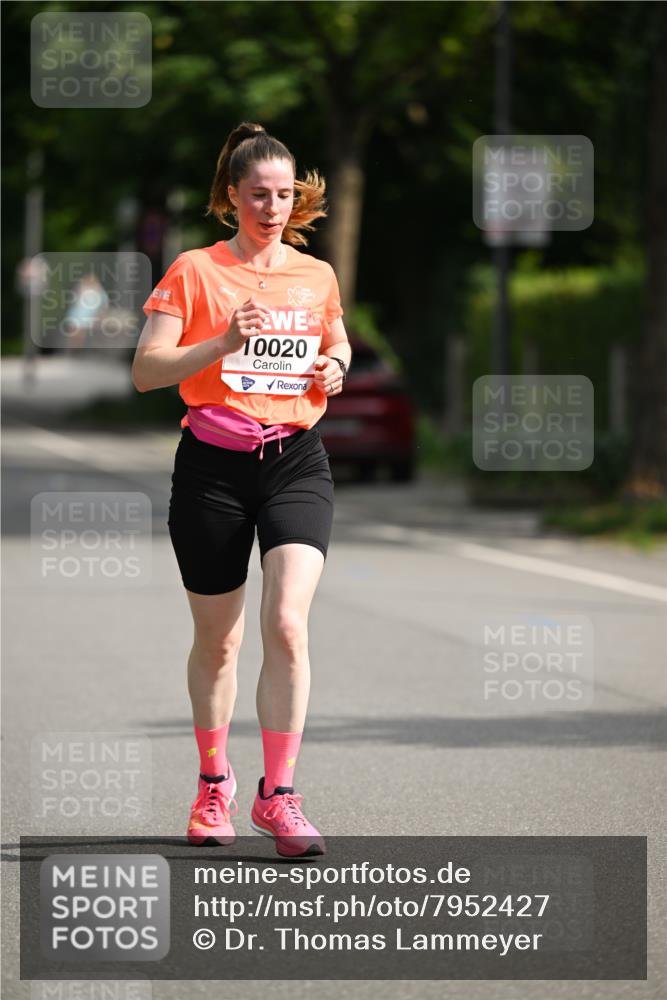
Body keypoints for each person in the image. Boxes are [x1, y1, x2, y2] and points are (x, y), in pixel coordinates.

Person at [131, 122, 351, 858]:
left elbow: (335, 338)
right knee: (219, 643)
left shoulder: (314, 274)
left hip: (294, 459)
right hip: (212, 468)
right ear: (231, 197)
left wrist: (336, 368)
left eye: (284, 195)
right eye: (258, 194)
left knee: (288, 622)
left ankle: (278, 796)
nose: (272, 207)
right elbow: (146, 370)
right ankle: (213, 783)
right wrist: (222, 343)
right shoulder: (194, 270)